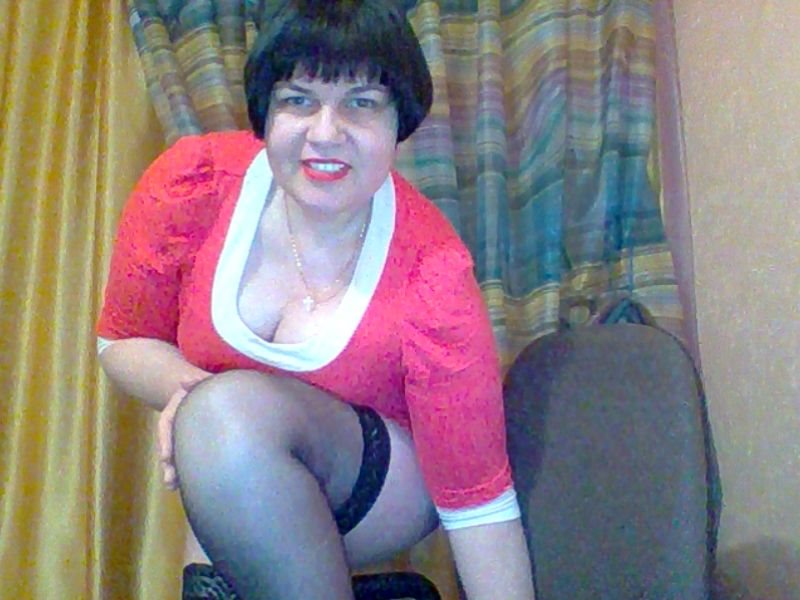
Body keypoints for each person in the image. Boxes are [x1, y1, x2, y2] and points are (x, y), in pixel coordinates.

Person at [97, 1, 536, 598]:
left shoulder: (432, 273)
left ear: (399, 122)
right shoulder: (191, 186)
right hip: (239, 457)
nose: (325, 133)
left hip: (382, 477)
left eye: (362, 102)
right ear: (266, 112)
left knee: (224, 422)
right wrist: (198, 401)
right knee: (223, 431)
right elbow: (122, 340)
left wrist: (218, 415)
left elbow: (478, 497)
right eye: (298, 100)